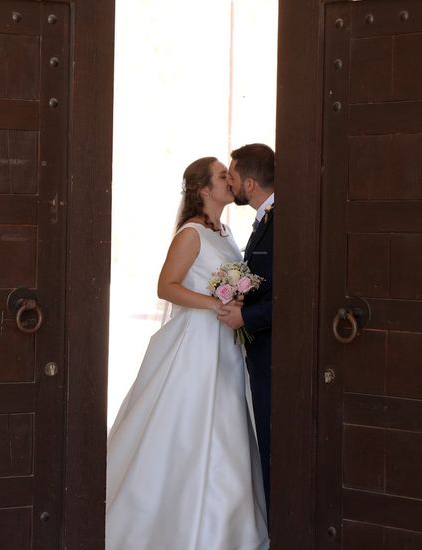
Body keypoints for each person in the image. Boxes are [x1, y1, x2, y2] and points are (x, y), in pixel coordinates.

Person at [106, 157, 269, 550]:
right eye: (221, 176)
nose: (230, 180)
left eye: (229, 174)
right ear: (203, 190)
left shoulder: (227, 233)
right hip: (198, 343)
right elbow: (166, 286)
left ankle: (228, 524)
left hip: (227, 345)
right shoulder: (191, 233)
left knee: (228, 430)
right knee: (192, 428)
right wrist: (214, 303)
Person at [219, 143, 274, 517]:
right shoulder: (264, 220)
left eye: (234, 177)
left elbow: (298, 295)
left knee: (274, 441)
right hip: (258, 354)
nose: (231, 183)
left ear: (250, 184)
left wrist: (246, 318)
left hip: (274, 355)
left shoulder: (281, 221)